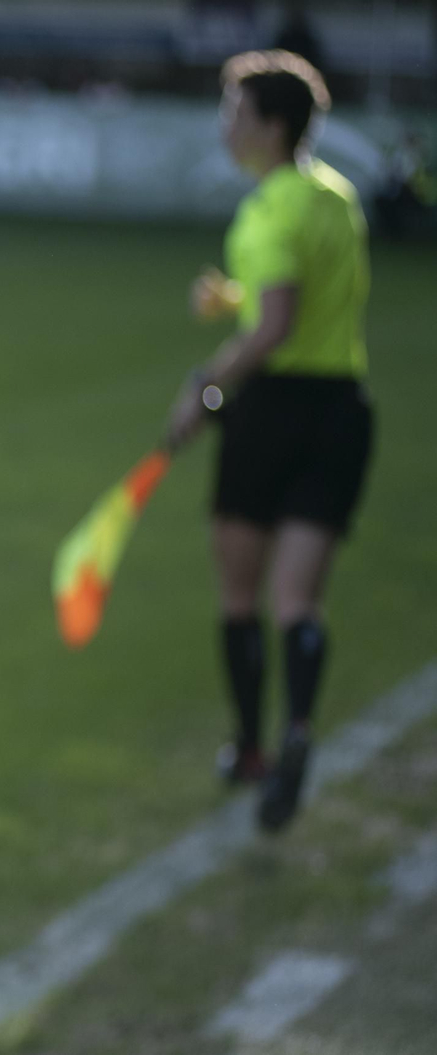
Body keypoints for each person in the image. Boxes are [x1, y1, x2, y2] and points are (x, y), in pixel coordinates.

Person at [168, 50, 372, 833]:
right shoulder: (334, 197)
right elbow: (296, 302)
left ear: (272, 125)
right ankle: (298, 730)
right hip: (341, 409)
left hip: (271, 410)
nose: (226, 126)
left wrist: (207, 389)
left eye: (235, 112)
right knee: (300, 599)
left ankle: (251, 747)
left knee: (241, 592)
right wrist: (239, 298)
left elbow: (276, 328)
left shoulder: (266, 211)